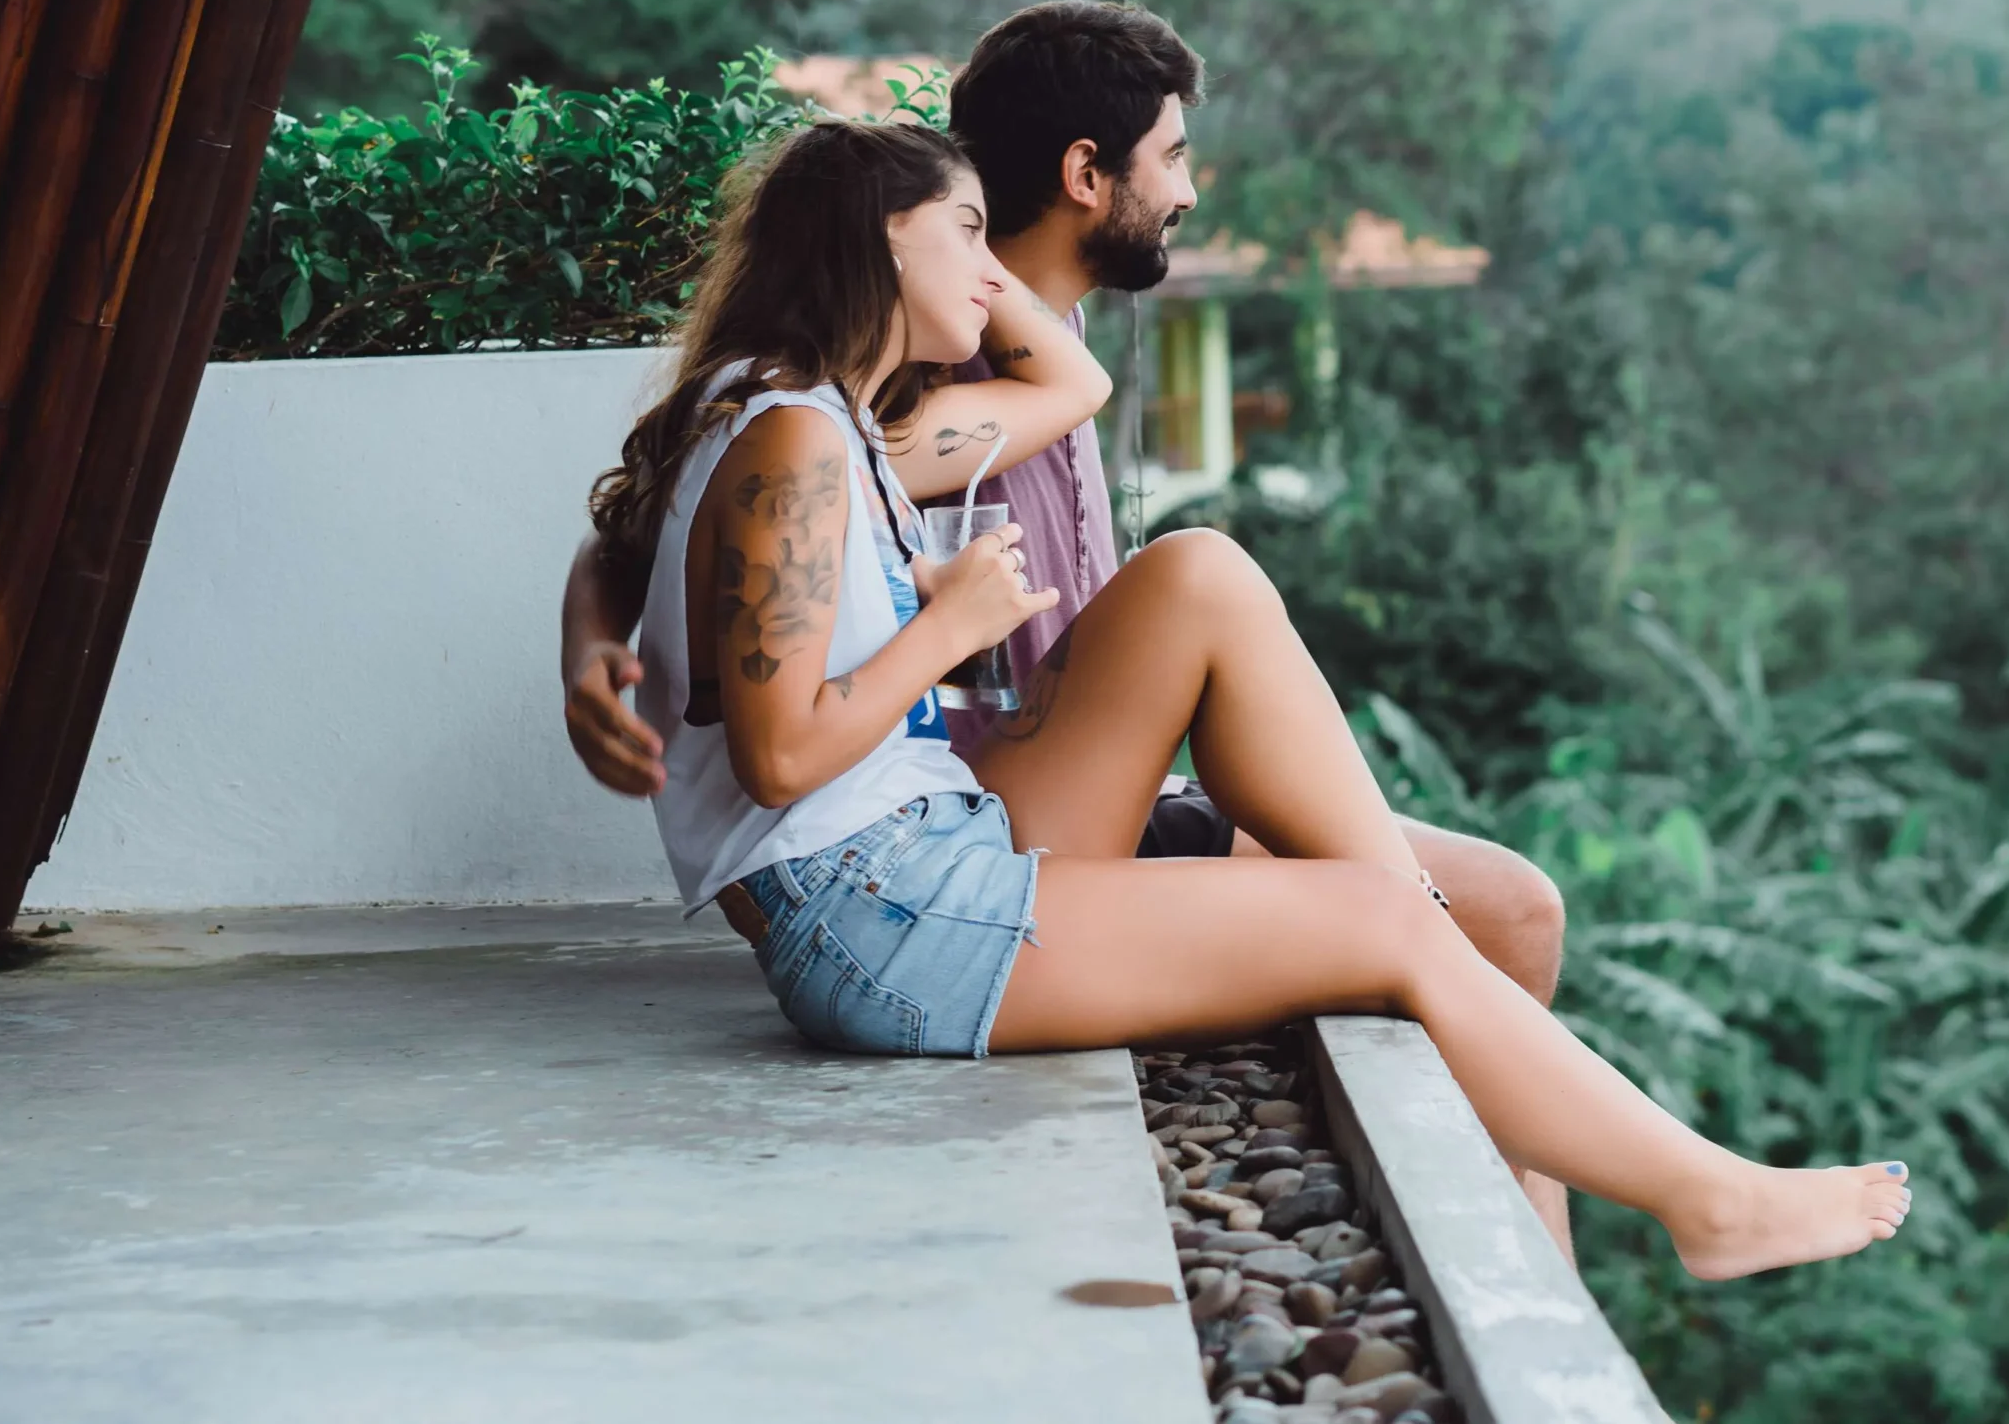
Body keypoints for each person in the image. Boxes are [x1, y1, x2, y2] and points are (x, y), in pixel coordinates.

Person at [589, 115, 1911, 1284]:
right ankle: (1705, 1200)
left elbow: (646, 567)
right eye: (967, 233)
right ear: (879, 246)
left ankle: (1591, 1117)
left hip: (902, 873)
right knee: (1383, 918)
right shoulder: (796, 438)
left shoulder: (793, 416)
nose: (994, 275)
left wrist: (889, 600)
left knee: (1199, 572)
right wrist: (947, 627)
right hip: (881, 914)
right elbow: (778, 757)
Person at [564, 0, 1584, 1257]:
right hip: (973, 832)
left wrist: (590, 650)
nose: (1191, 192)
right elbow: (663, 521)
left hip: (1089, 776)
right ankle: (1419, 952)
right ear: (1085, 174)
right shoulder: (897, 388)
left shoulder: (1025, 351)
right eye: (1174, 157)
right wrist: (594, 643)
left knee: (1515, 911)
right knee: (1204, 589)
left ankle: (1542, 1279)